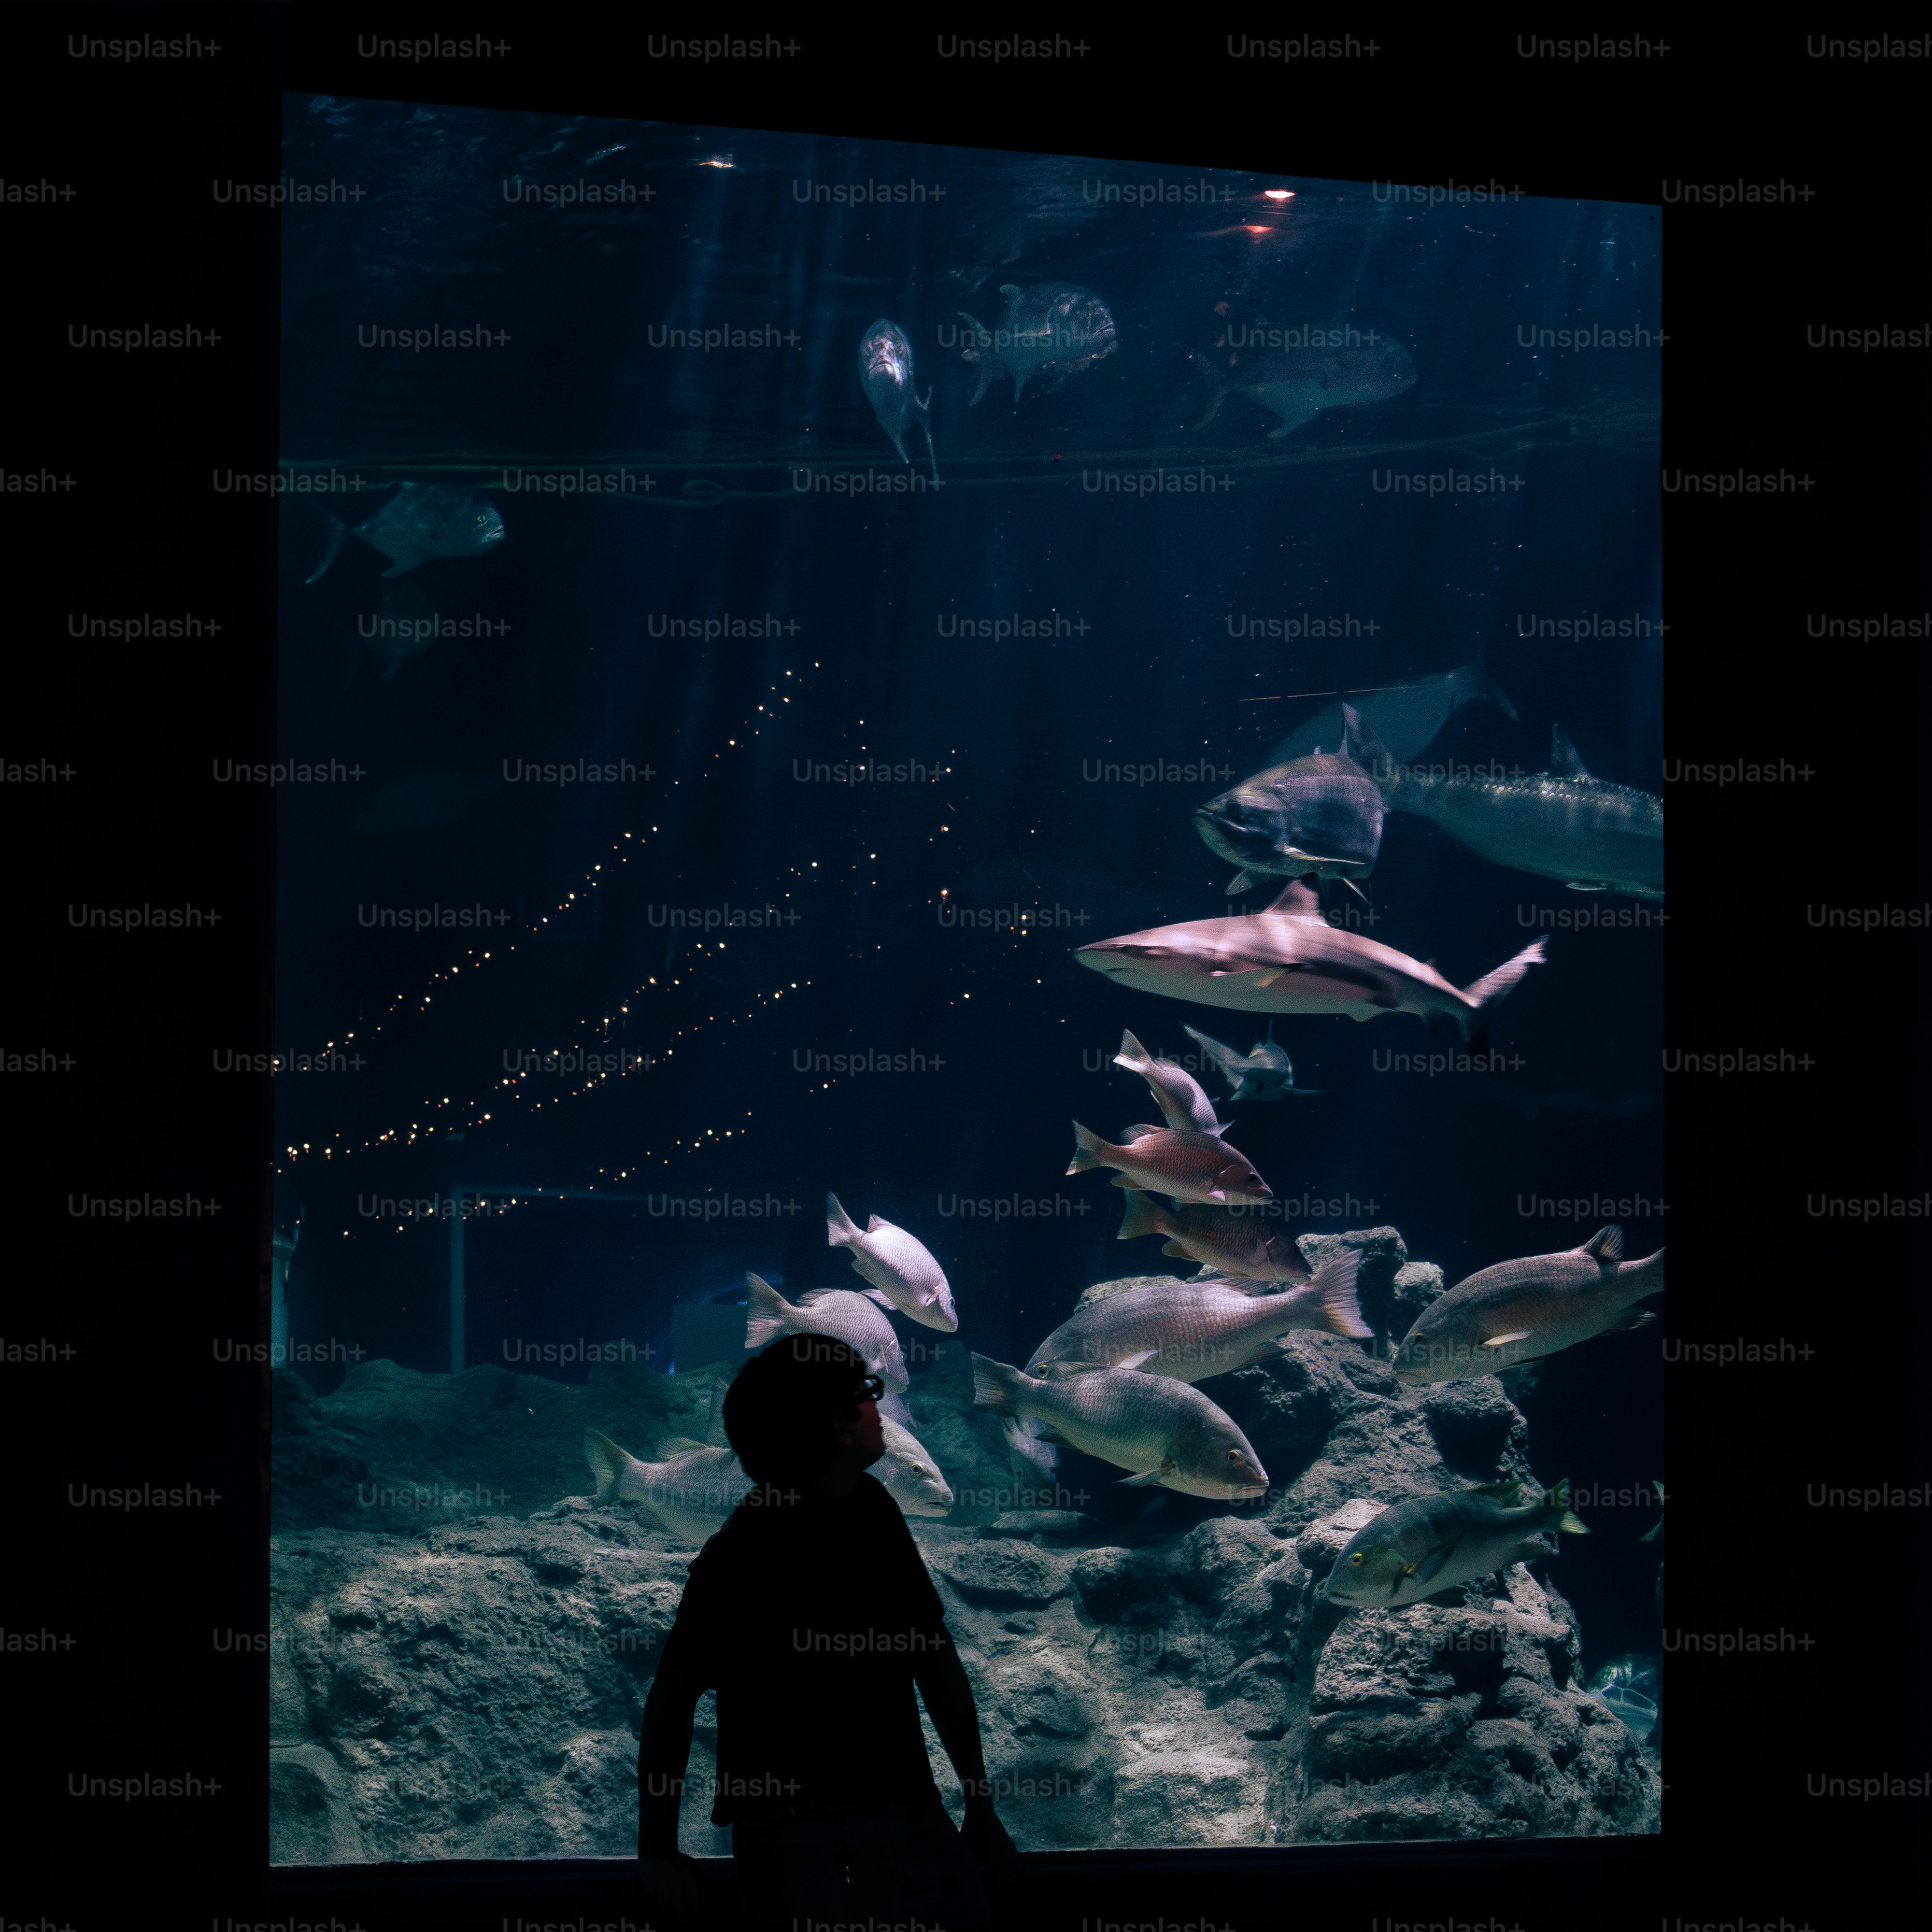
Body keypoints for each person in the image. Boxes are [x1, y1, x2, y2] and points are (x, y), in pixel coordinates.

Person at [636, 1334, 1022, 1931]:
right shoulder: (739, 1556)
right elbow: (672, 1700)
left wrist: (978, 1802)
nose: (879, 1405)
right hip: (792, 1834)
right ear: (839, 1427)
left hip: (908, 1812)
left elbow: (932, 1657)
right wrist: (656, 1850)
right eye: (869, 1393)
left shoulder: (872, 1509)